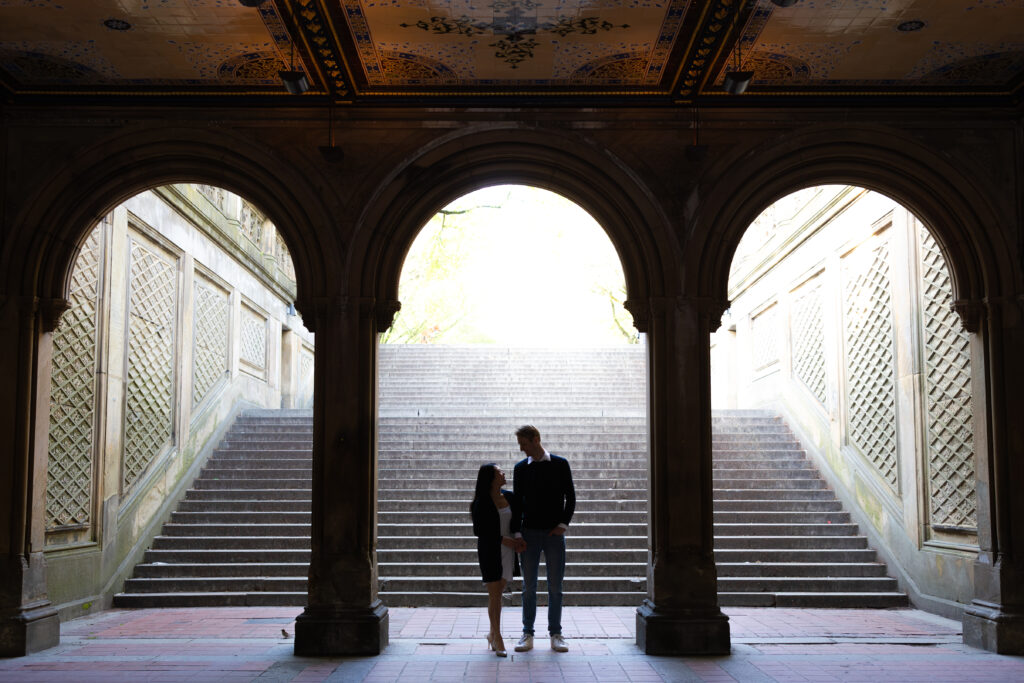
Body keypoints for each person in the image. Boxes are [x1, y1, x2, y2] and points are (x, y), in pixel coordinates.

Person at [512, 424, 576, 653]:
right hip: (528, 533)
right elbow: (517, 504)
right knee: (528, 587)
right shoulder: (520, 469)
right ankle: (527, 633)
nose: (522, 449)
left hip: (553, 534)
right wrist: (517, 533)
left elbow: (571, 496)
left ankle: (555, 633)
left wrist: (562, 525)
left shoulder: (560, 464)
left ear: (536, 439)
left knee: (555, 586)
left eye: (524, 444)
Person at [470, 463, 524, 657]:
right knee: (494, 593)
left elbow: (517, 519)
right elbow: (479, 531)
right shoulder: (481, 501)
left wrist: (517, 537)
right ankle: (498, 637)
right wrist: (503, 540)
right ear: (491, 479)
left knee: (498, 591)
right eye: (499, 472)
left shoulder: (509, 497)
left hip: (508, 549)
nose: (503, 474)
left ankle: (492, 633)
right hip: (490, 549)